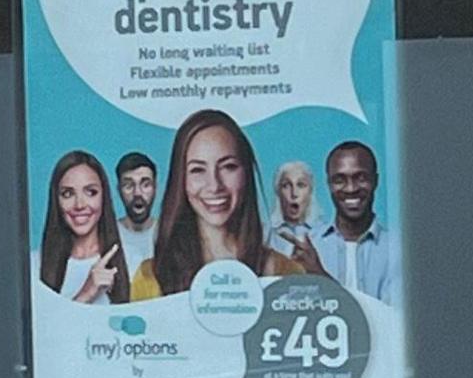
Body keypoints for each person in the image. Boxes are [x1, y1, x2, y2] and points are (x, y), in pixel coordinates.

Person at [130, 108, 326, 298]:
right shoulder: (150, 279)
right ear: (181, 180)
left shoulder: (286, 274)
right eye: (198, 170)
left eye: (228, 167)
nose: (215, 185)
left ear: (246, 173)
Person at [314, 138, 402, 308]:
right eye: (339, 180)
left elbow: (391, 319)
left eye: (360, 178)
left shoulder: (398, 250)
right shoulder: (310, 247)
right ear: (329, 184)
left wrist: (322, 280)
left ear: (375, 181)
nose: (350, 188)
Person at [37, 149, 130, 304]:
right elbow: (43, 328)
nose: (79, 205)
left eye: (91, 192)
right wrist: (86, 293)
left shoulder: (133, 261)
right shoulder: (34, 266)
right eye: (68, 194)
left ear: (104, 196)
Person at [271, 159, 321, 256]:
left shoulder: (324, 236)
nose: (294, 193)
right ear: (278, 192)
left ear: (310, 191)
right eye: (286, 186)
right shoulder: (266, 236)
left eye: (301, 185)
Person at [113, 152, 160, 249]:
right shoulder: (108, 236)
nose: (137, 193)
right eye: (128, 185)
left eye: (146, 185)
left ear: (155, 188)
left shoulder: (170, 235)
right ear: (119, 190)